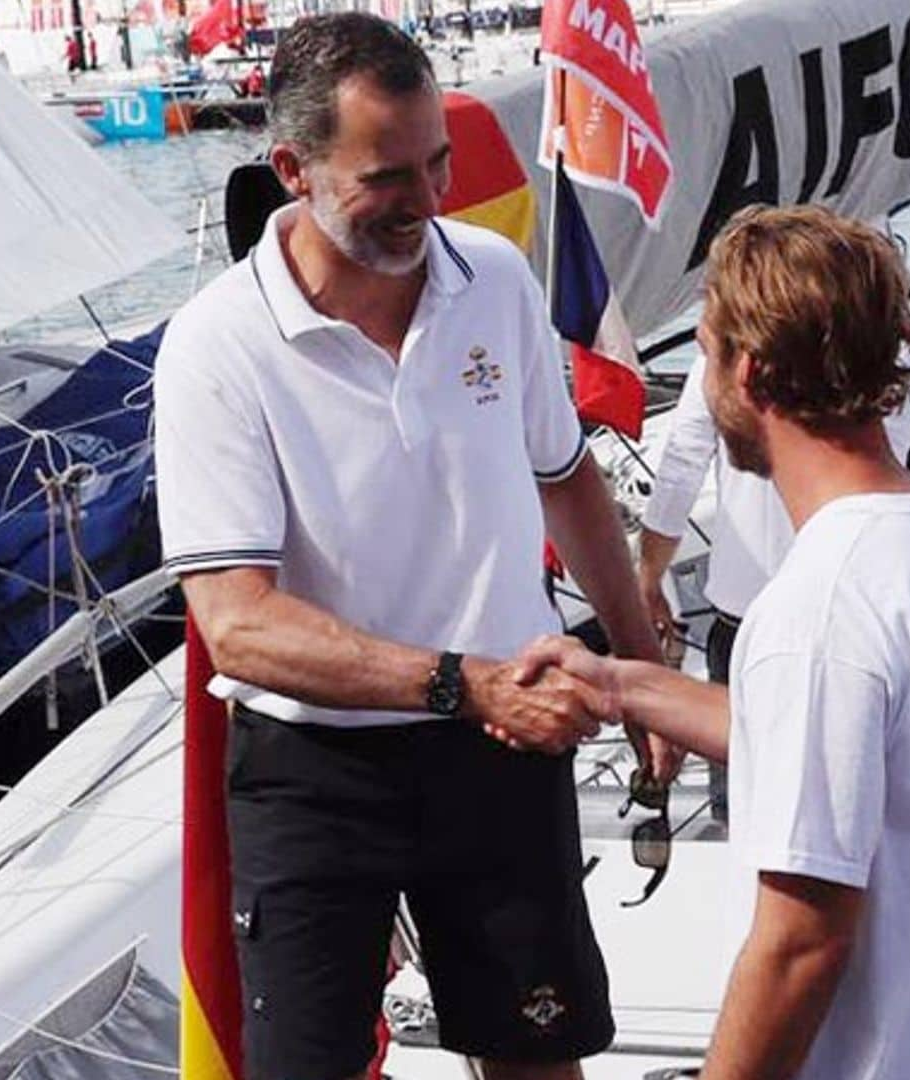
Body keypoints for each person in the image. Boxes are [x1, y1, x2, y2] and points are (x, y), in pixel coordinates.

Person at [153, 15, 670, 1080]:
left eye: (437, 163)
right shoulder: (216, 348)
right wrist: (465, 684)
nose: (430, 201)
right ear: (292, 168)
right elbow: (238, 627)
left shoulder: (492, 278)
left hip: (502, 753)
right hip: (316, 772)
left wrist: (640, 666)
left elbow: (564, 477)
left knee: (540, 1057)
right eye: (390, 176)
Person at [516, 205, 910, 1079]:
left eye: (708, 351)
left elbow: (802, 943)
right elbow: (829, 741)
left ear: (749, 371)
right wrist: (618, 682)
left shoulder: (820, 605)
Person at [636, 344, 910, 817]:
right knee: (853, 810)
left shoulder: (721, 356)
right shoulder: (892, 350)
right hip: (850, 619)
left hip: (745, 626)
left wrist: (648, 580)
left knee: (748, 819)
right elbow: (891, 467)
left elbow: (680, 470)